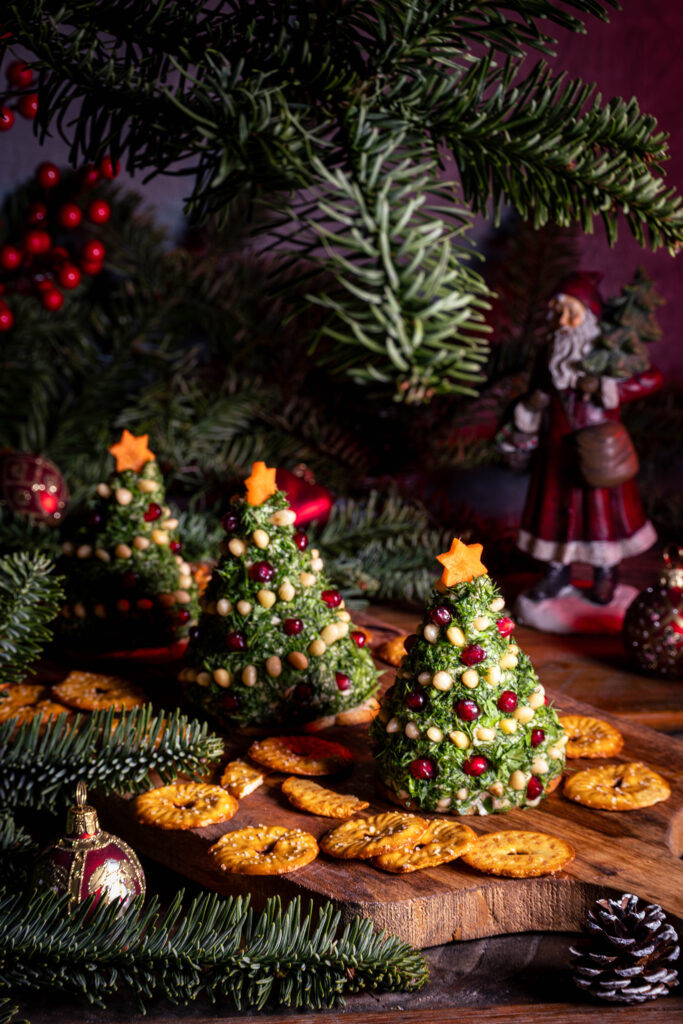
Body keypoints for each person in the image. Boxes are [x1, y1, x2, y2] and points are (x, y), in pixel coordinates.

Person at [510, 272, 660, 605]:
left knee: (600, 513)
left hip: (599, 449)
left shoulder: (607, 351)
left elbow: (651, 379)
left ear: (590, 315)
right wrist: (532, 405)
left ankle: (605, 572)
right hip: (557, 446)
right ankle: (556, 571)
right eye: (558, 312)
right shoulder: (550, 352)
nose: (563, 322)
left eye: (572, 313)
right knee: (554, 511)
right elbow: (537, 388)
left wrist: (608, 386)